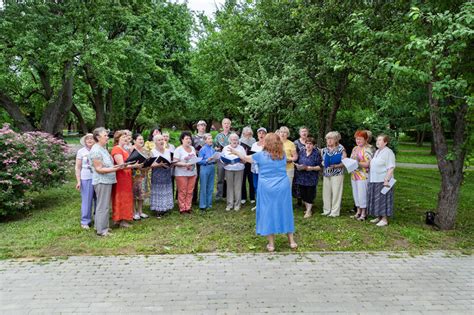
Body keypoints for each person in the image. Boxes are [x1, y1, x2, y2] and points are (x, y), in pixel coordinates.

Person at [230, 133, 297, 252]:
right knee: (285, 211)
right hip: (282, 187)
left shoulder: (261, 156)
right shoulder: (283, 156)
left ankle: (271, 245)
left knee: (268, 212)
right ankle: (292, 241)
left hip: (267, 188)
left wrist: (236, 152)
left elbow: (246, 158)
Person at [89, 127, 124, 236]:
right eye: (105, 136)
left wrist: (118, 166)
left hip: (107, 180)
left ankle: (100, 226)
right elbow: (99, 169)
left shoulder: (102, 148)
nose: (107, 137)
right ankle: (102, 230)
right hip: (102, 181)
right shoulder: (95, 150)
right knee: (102, 206)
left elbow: (107, 164)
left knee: (103, 205)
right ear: (98, 137)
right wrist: (116, 168)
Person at [111, 130, 142, 228]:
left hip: (127, 176)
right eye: (123, 137)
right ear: (117, 138)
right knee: (122, 197)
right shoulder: (117, 149)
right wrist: (135, 165)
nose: (125, 139)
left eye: (126, 137)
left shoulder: (123, 149)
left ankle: (122, 218)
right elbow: (121, 165)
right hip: (121, 177)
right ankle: (121, 219)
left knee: (126, 197)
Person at [367, 134, 396, 227]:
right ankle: (379, 217)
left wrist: (386, 180)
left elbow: (391, 167)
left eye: (380, 140)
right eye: (377, 140)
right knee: (376, 199)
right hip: (374, 179)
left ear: (385, 142)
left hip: (383, 180)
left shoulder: (388, 152)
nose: (377, 142)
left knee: (383, 199)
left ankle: (384, 219)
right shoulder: (377, 151)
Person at [294, 137, 322, 218]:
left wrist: (311, 168)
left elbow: (320, 166)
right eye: (307, 143)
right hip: (301, 177)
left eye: (310, 144)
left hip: (311, 178)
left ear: (313, 145)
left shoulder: (316, 153)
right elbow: (296, 162)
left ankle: (309, 211)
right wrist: (298, 166)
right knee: (303, 194)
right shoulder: (301, 152)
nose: (308, 145)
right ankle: (307, 208)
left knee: (310, 195)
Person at [321, 131, 347, 217]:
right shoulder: (324, 149)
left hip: (337, 173)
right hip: (327, 173)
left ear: (336, 139)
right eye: (327, 139)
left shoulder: (341, 148)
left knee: (336, 192)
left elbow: (345, 161)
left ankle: (335, 212)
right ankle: (326, 210)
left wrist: (336, 165)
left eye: (331, 138)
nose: (329, 140)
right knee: (326, 192)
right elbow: (321, 160)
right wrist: (323, 163)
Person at [349, 130, 373, 221]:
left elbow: (369, 164)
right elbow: (352, 159)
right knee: (356, 193)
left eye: (360, 139)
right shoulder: (355, 148)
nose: (358, 141)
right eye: (356, 139)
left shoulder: (369, 148)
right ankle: (358, 211)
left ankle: (364, 213)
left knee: (362, 194)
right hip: (354, 174)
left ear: (366, 139)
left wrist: (358, 163)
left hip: (363, 175)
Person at [75, 133, 96, 229]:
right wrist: (78, 181)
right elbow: (78, 167)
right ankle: (85, 221)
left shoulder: (98, 149)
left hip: (98, 177)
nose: (89, 140)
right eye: (87, 139)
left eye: (91, 138)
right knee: (87, 200)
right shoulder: (81, 151)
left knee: (98, 199)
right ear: (84, 141)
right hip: (86, 177)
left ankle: (97, 219)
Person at [150, 134, 174, 218]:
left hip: (167, 173)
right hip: (157, 173)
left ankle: (166, 207)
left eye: (162, 140)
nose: (161, 141)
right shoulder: (152, 151)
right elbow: (150, 165)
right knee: (158, 191)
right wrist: (158, 164)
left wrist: (171, 164)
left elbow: (170, 161)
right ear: (155, 142)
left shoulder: (168, 151)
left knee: (166, 189)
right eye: (159, 140)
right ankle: (158, 209)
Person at [173, 131, 198, 214]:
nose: (189, 140)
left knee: (190, 191)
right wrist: (185, 164)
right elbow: (175, 162)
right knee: (182, 191)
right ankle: (182, 208)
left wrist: (195, 172)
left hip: (192, 173)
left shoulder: (193, 148)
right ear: (182, 139)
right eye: (186, 138)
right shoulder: (178, 150)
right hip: (181, 173)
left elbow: (194, 160)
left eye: (190, 138)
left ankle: (188, 207)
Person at [222, 133, 246, 211]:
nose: (234, 141)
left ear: (238, 140)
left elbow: (245, 159)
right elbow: (222, 158)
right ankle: (229, 204)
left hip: (239, 169)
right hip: (228, 169)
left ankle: (237, 204)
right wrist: (225, 162)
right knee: (229, 186)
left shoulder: (241, 148)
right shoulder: (225, 148)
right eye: (232, 139)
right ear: (229, 140)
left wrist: (242, 160)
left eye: (236, 139)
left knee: (238, 187)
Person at [131, 134, 149, 221]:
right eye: (139, 139)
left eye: (142, 139)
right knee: (134, 193)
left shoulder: (145, 151)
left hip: (143, 174)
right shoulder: (130, 149)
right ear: (134, 141)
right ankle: (134, 212)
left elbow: (149, 162)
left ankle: (140, 211)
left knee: (142, 193)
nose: (141, 141)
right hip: (133, 174)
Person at [197, 133, 216, 212]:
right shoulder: (202, 149)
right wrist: (206, 160)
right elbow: (199, 161)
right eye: (208, 139)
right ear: (205, 140)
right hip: (204, 168)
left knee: (210, 187)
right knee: (204, 187)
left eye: (211, 138)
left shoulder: (213, 149)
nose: (210, 140)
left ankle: (209, 204)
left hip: (212, 167)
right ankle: (202, 205)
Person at [214, 118, 231, 200]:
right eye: (225, 123)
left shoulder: (233, 135)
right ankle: (219, 195)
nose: (226, 125)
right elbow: (214, 146)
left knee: (230, 178)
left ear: (230, 125)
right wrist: (216, 148)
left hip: (230, 159)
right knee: (220, 177)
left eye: (228, 123)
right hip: (221, 159)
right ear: (222, 125)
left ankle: (229, 195)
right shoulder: (218, 136)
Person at [250, 127, 267, 211]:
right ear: (257, 135)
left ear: (265, 135)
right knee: (256, 186)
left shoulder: (268, 145)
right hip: (255, 169)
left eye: (263, 133)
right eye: (259, 133)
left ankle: (265, 204)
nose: (261, 135)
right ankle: (258, 204)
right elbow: (251, 156)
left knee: (264, 187)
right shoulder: (254, 145)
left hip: (264, 170)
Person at [240, 126, 256, 205]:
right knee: (242, 181)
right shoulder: (240, 141)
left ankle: (252, 197)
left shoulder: (253, 141)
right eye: (246, 134)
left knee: (251, 181)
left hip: (251, 163)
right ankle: (243, 197)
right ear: (243, 134)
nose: (247, 136)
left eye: (249, 134)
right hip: (242, 163)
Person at [293, 126, 309, 206]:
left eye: (305, 131)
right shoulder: (296, 143)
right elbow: (293, 154)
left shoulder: (310, 141)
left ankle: (307, 200)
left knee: (307, 183)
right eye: (302, 131)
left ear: (308, 133)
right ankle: (299, 200)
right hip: (298, 166)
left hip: (309, 166)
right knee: (298, 183)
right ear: (299, 133)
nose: (304, 133)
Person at [192, 120, 207, 204]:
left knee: (204, 180)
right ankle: (194, 198)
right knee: (195, 179)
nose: (202, 127)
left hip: (205, 161)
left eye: (204, 125)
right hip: (197, 161)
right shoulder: (194, 137)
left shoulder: (207, 137)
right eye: (201, 125)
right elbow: (191, 148)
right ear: (197, 127)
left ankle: (203, 198)